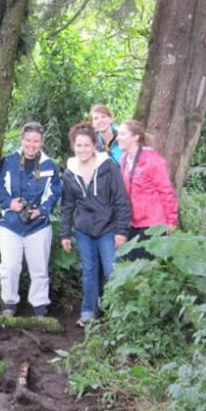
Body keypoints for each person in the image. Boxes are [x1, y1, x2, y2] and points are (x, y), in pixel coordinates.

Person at [60, 122, 131, 327]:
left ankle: (115, 312)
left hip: (108, 227)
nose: (82, 149)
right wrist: (65, 233)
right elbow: (67, 205)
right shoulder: (70, 171)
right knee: (89, 272)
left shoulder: (108, 166)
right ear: (74, 146)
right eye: (78, 145)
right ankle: (88, 312)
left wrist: (121, 230)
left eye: (86, 145)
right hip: (83, 229)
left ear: (94, 146)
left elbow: (121, 199)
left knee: (111, 270)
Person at [0, 121, 63, 317]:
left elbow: (55, 191)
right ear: (22, 139)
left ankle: (40, 308)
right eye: (28, 140)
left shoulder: (50, 165)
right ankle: (9, 305)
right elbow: (0, 187)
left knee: (39, 269)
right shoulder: (8, 161)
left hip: (38, 225)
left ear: (41, 142)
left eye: (36, 141)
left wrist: (42, 210)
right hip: (10, 224)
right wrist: (10, 203)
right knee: (9, 267)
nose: (32, 145)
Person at [116, 120, 178, 259]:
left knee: (147, 266)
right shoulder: (124, 159)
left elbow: (166, 191)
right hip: (133, 222)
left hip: (153, 223)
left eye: (122, 134)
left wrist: (171, 220)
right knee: (132, 264)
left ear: (135, 137)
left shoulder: (153, 160)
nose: (118, 137)